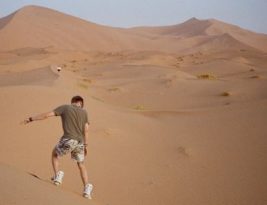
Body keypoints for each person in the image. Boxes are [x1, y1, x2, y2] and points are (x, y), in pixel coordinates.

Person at [23, 96, 93, 199]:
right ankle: (87, 188)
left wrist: (31, 119)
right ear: (81, 104)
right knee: (81, 164)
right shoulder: (84, 112)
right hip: (80, 142)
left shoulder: (65, 107)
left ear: (73, 101)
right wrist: (86, 145)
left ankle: (58, 176)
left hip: (68, 139)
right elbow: (86, 129)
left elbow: (47, 115)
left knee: (55, 154)